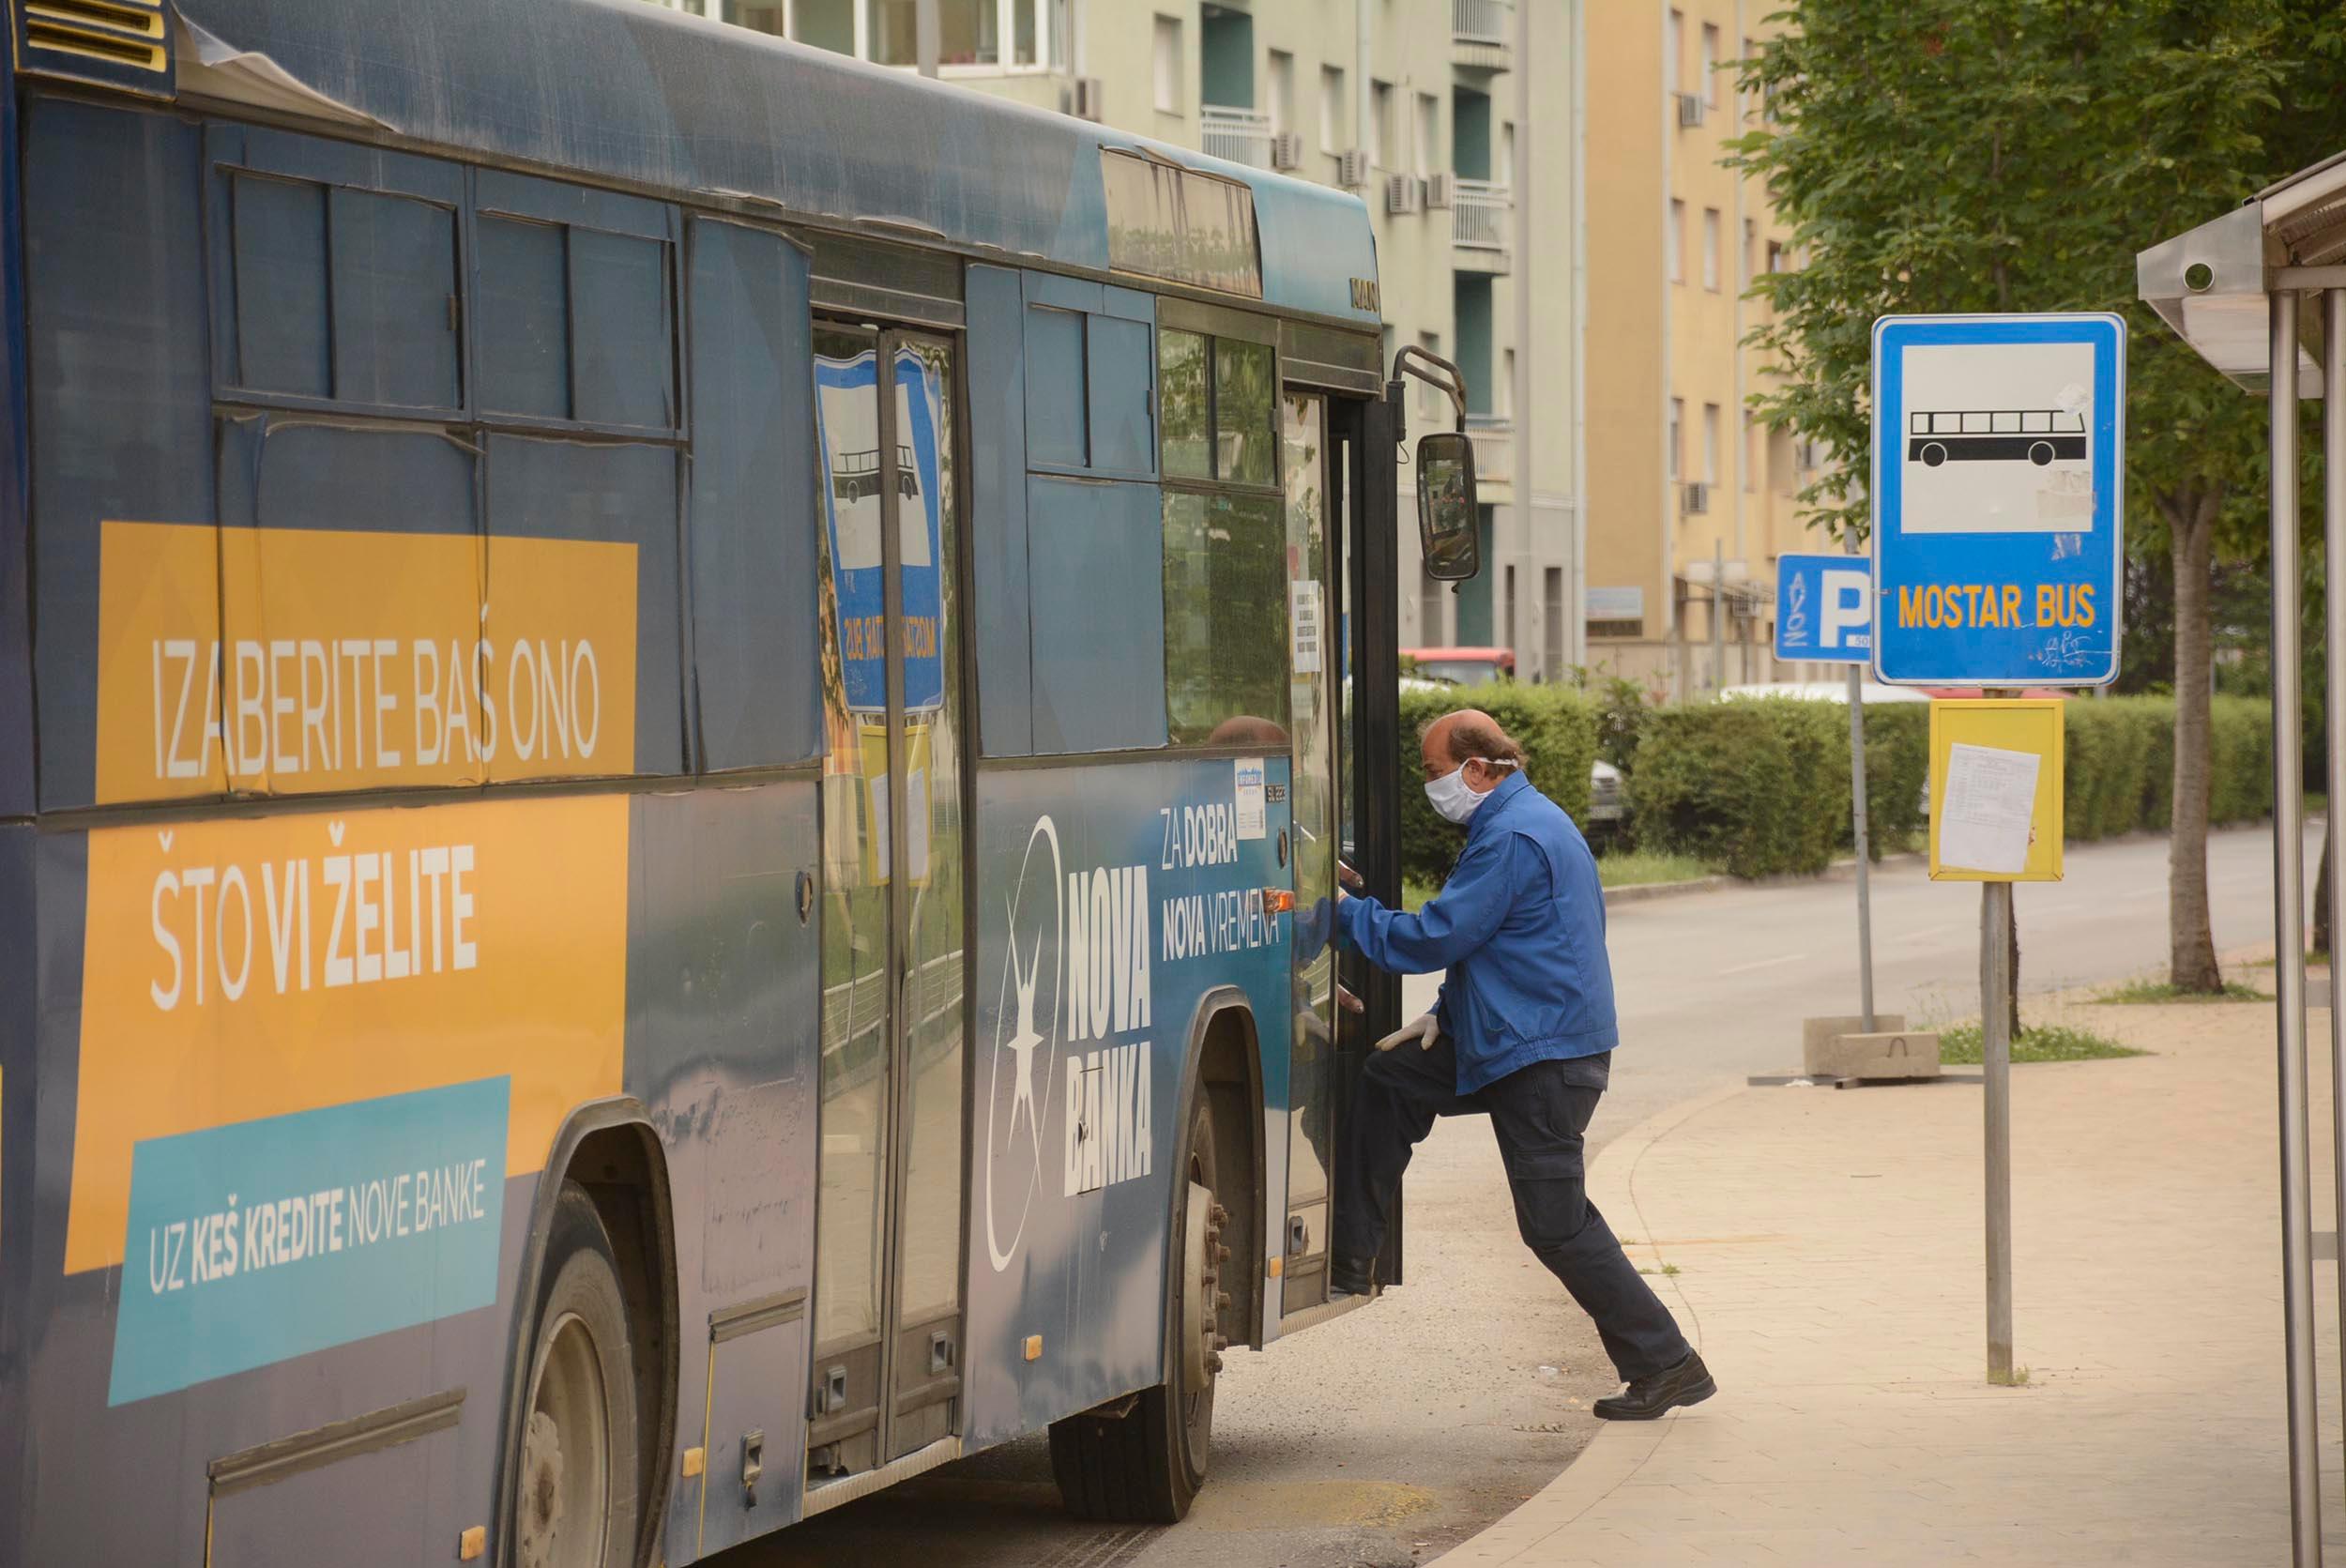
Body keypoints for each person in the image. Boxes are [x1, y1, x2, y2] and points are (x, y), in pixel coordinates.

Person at [1329, 708, 1714, 1422]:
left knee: (1556, 1225)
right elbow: (1503, 943)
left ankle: (1668, 1362)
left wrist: (1338, 911)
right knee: (1392, 1080)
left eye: (1434, 771)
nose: (1430, 784)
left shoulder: (1509, 836)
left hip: (1540, 1056)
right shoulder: (1528, 819)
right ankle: (1354, 1253)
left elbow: (1433, 936)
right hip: (1517, 1038)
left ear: (1478, 769)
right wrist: (1445, 1011)